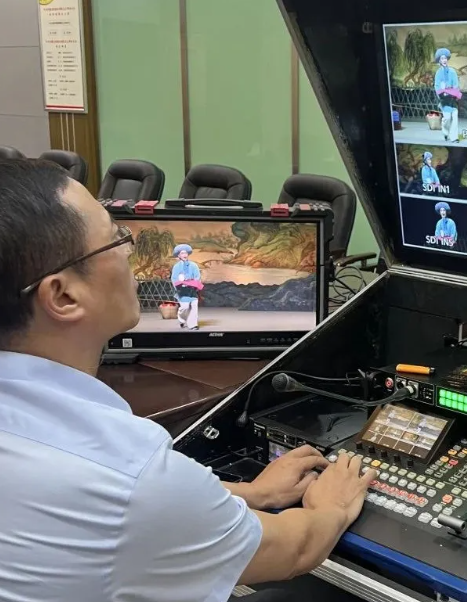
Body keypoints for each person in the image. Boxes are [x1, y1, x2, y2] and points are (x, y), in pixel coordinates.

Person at [0, 159, 377, 602]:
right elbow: (295, 550)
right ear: (63, 295)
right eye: (117, 239)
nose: (130, 252)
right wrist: (332, 506)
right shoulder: (128, 474)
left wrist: (251, 492)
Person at [171, 243, 202, 330]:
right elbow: (174, 278)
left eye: (185, 253)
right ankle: (182, 320)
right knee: (184, 307)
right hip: (182, 290)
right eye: (182, 253)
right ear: (179, 255)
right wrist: (179, 287)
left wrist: (195, 285)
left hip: (192, 290)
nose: (184, 255)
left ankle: (193, 325)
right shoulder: (176, 267)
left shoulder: (194, 265)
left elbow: (197, 277)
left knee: (194, 306)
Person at [434, 47, 461, 143]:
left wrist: (455, 93)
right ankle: (445, 132)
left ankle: (454, 137)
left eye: (445, 58)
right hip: (444, 99)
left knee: (455, 116)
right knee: (447, 118)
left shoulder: (452, 71)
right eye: (442, 58)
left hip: (452, 98)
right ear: (439, 60)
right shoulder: (438, 73)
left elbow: (456, 84)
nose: (444, 60)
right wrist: (442, 94)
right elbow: (437, 86)